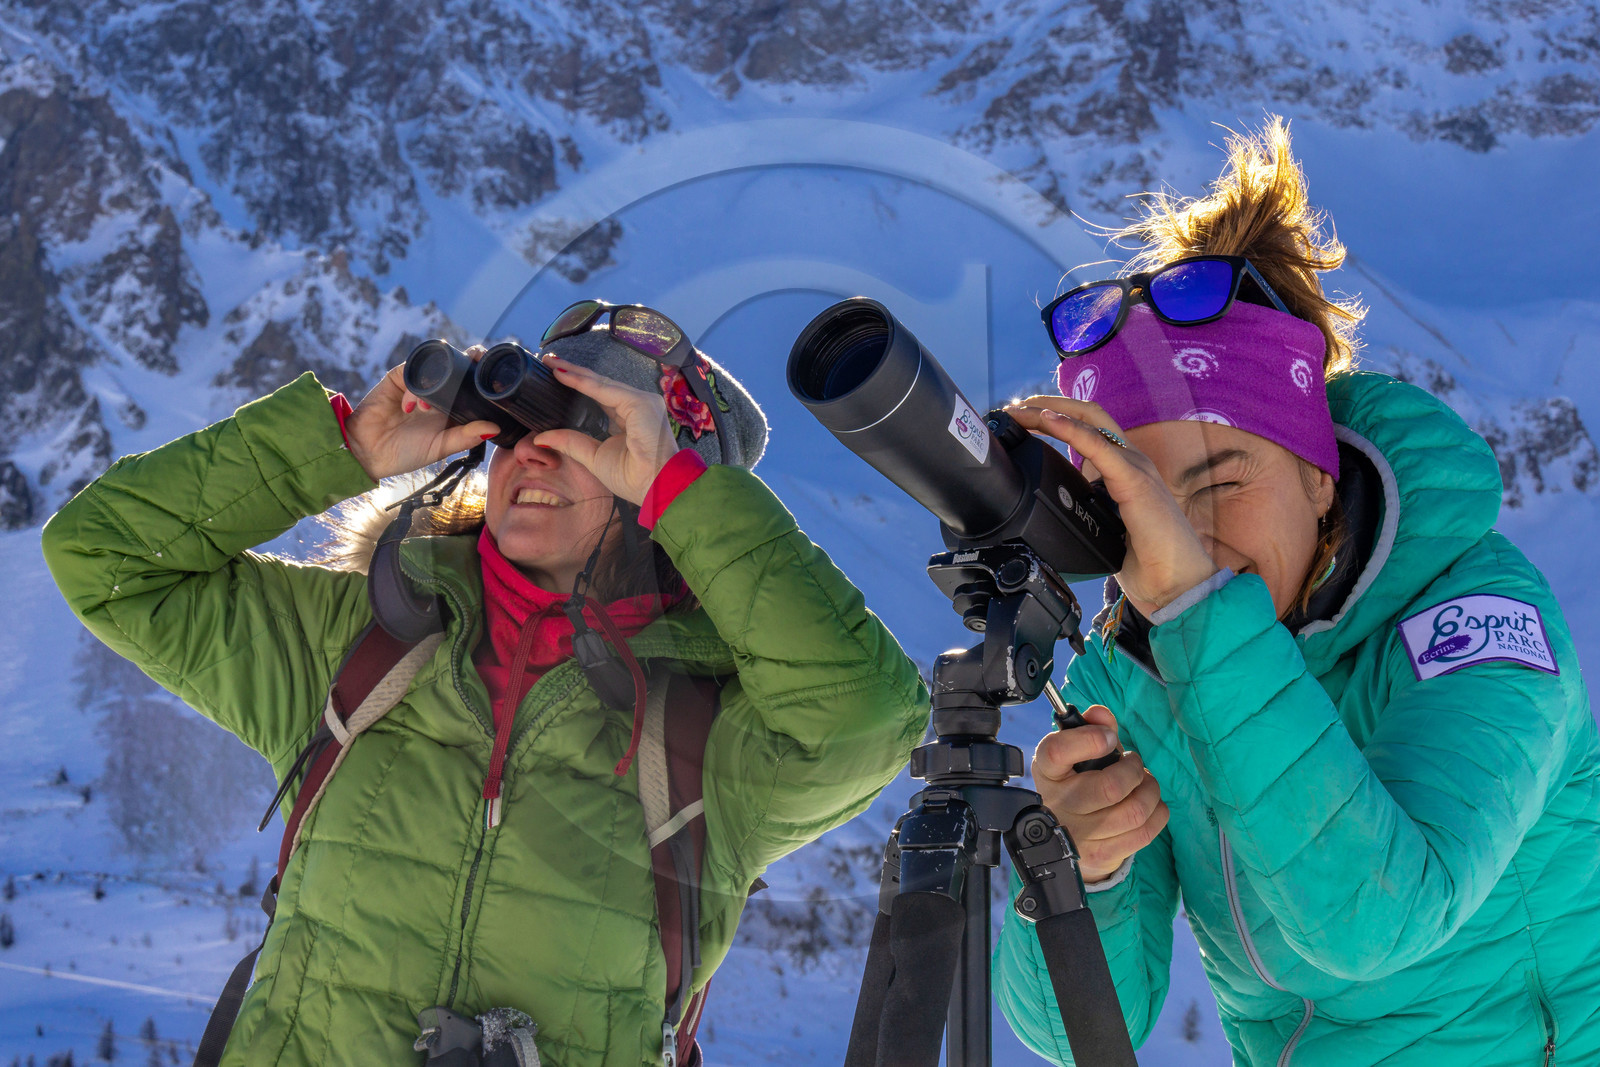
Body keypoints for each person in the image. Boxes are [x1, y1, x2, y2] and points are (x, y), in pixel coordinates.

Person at [41, 303, 930, 1066]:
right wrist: (343, 445)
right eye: (518, 431)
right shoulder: (364, 645)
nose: (535, 455)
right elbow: (105, 559)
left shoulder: (712, 736)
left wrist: (684, 493)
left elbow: (869, 717)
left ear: (661, 482)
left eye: (590, 436)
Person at [992, 120, 1600, 1066]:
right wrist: (1085, 871)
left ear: (1319, 476)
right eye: (1138, 498)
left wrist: (1200, 620)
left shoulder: (1478, 615)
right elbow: (1080, 1031)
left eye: (1221, 480)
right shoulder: (1135, 671)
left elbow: (1380, 922)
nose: (1182, 536)